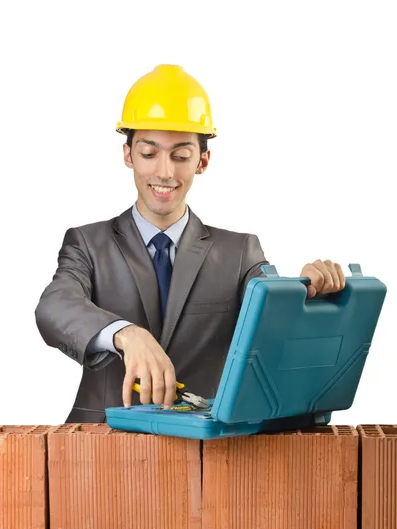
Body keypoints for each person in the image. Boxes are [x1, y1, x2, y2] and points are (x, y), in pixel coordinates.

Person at [35, 64, 346, 424]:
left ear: (202, 161)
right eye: (149, 153)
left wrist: (304, 290)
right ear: (127, 155)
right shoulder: (88, 243)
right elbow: (55, 306)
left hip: (206, 451)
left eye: (180, 156)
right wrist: (125, 333)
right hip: (102, 443)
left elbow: (271, 313)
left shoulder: (239, 252)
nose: (165, 172)